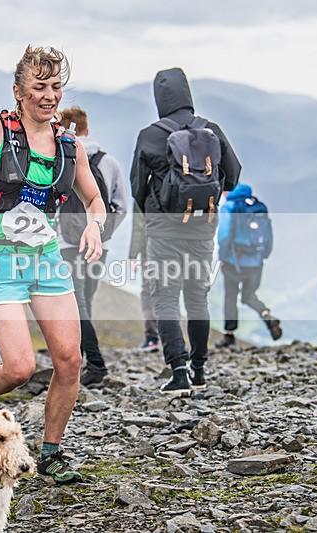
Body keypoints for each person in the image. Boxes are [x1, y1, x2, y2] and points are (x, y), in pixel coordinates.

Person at [0, 45, 106, 484]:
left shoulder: (69, 146)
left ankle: (51, 452)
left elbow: (95, 199)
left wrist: (94, 227)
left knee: (69, 359)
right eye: (39, 87)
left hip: (46, 259)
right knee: (19, 368)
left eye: (55, 87)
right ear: (18, 91)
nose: (49, 96)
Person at [130, 67, 241, 396]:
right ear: (188, 94)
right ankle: (200, 369)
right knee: (197, 297)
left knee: (164, 297)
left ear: (159, 98)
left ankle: (178, 370)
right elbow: (233, 174)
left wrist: (154, 210)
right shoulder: (211, 129)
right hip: (203, 226)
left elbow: (137, 187)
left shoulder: (150, 135)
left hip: (163, 227)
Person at [55, 106, 129, 387]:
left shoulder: (61, 157)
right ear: (87, 129)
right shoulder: (108, 162)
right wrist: (103, 232)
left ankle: (94, 363)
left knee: (78, 301)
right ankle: (84, 359)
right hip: (100, 243)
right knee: (85, 298)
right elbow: (121, 206)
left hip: (67, 243)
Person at [215, 182, 282, 347]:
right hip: (256, 262)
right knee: (249, 296)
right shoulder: (259, 206)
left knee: (231, 296)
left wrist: (222, 256)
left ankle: (229, 335)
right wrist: (263, 256)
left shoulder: (229, 207)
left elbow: (223, 235)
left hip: (233, 261)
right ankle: (266, 315)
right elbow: (268, 234)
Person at [128, 205, 160, 353]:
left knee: (148, 292)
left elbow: (139, 225)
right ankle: (172, 338)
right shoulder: (177, 183)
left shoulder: (143, 188)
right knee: (169, 292)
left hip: (151, 249)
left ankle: (152, 338)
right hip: (176, 248)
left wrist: (133, 255)